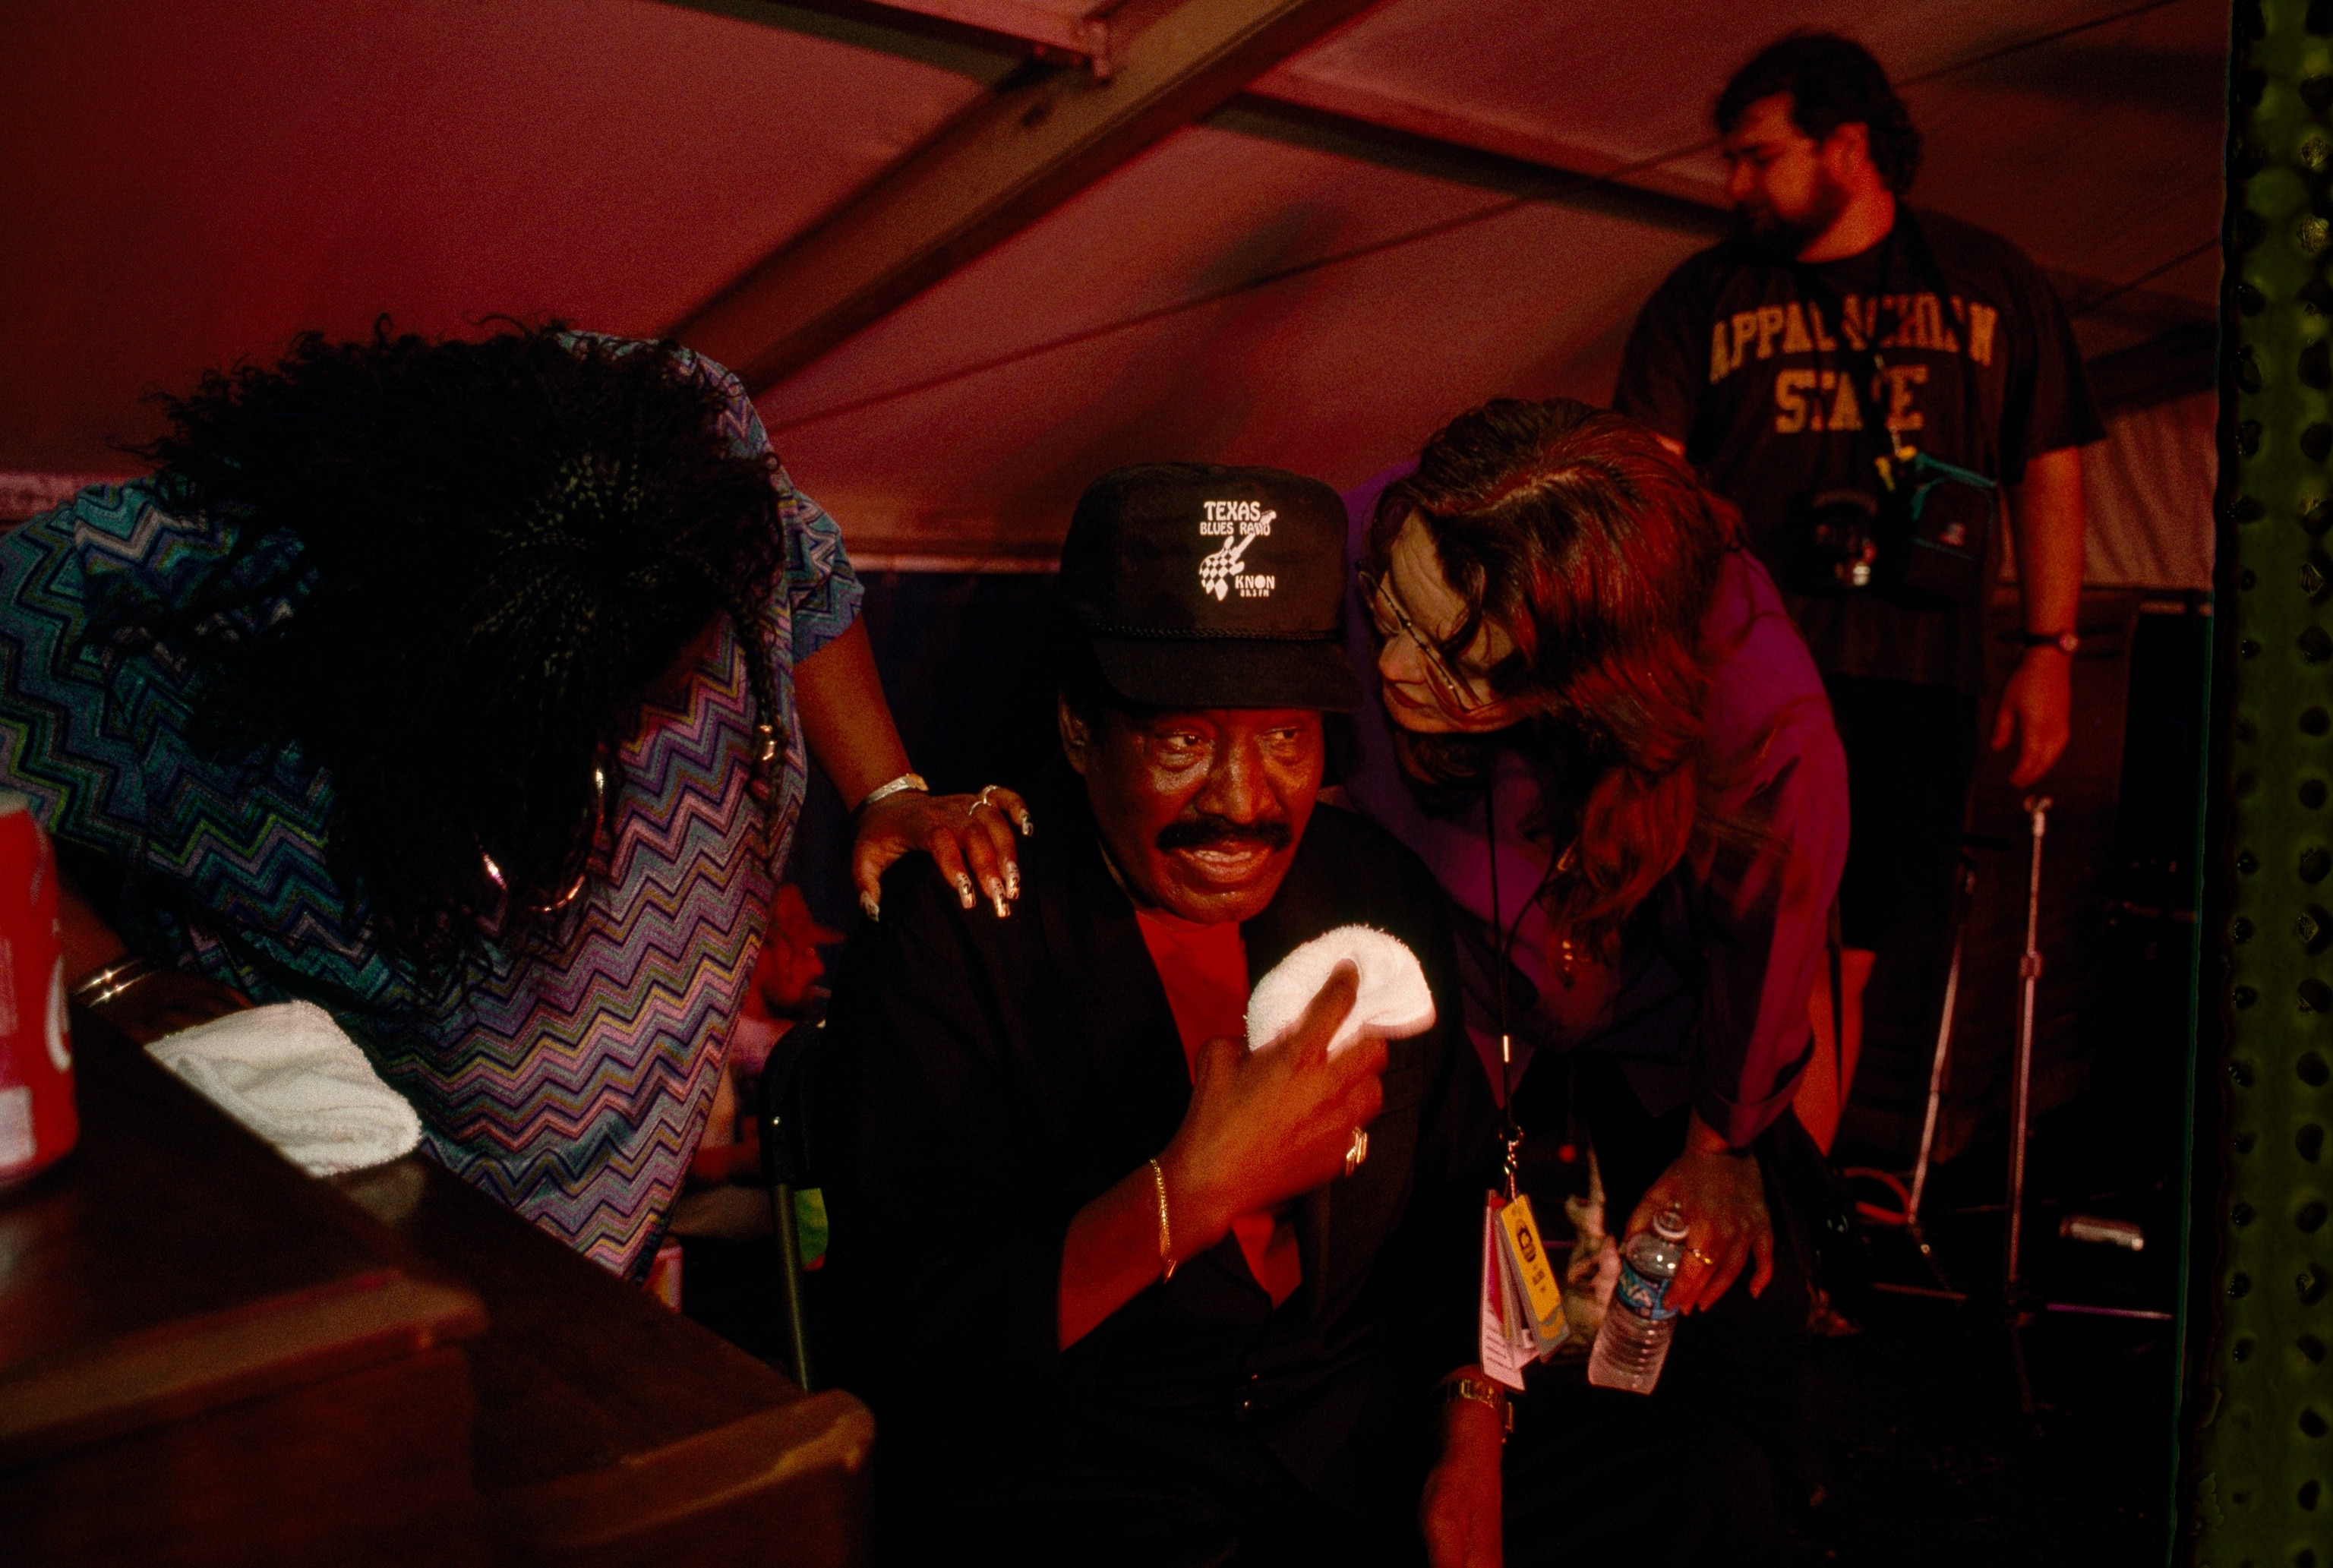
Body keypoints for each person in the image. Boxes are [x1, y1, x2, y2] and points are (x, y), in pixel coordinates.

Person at [816, 463, 1767, 1566]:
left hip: (1350, 1457)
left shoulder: (1369, 892)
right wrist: (1187, 1192)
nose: (1242, 798)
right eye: (1182, 741)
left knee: (1701, 1483)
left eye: (1284, 737)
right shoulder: (966, 923)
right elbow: (911, 1347)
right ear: (1079, 729)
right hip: (1101, 1482)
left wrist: (1472, 1436)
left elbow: (1462, 1196)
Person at [0, 322, 1025, 1280]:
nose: (645, 727)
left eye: (664, 679)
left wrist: (888, 791)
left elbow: (806, 565)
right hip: (380, 1255)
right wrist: (117, 985)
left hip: (615, 1270)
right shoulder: (212, 592)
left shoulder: (689, 454)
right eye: (596, 703)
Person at [1338, 398, 1848, 1503]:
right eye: (1392, 606)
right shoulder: (1381, 525)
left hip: (1669, 991)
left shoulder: (1761, 716)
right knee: (1418, 1289)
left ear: (1588, 682)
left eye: (1460, 664)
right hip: (1459, 960)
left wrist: (1725, 1143)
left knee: (1729, 1310)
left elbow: (1772, 949)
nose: (1392, 665)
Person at [1612, 32, 2101, 1149]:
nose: (1735, 184)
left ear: (1848, 147)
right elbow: (1644, 478)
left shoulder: (1991, 280)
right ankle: (1757, 1211)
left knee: (1856, 959)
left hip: (1918, 678)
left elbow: (2051, 461)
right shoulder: (1706, 294)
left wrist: (2051, 648)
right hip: (1743, 676)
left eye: (1758, 156)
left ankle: (1788, 1218)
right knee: (1745, 952)